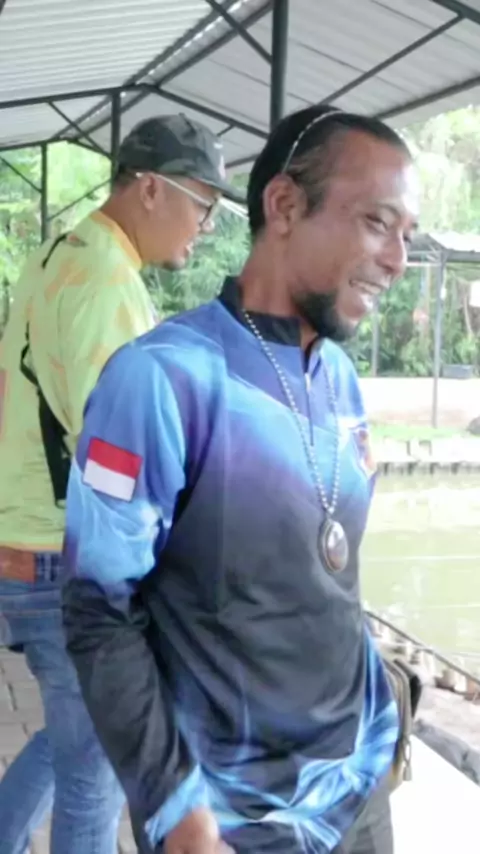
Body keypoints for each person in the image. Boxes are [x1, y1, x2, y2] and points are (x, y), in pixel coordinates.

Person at [62, 104, 419, 854]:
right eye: (377, 223)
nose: (397, 260)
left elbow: (325, 576)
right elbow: (99, 611)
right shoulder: (161, 379)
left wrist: (384, 720)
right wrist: (174, 809)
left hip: (359, 786)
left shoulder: (341, 380)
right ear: (283, 204)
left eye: (407, 236)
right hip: (234, 819)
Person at [0, 113, 242, 854]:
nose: (204, 226)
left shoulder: (63, 251)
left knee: (78, 736)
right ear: (149, 189)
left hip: (26, 540)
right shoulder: (107, 285)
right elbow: (118, 454)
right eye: (201, 204)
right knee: (96, 772)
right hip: (62, 557)